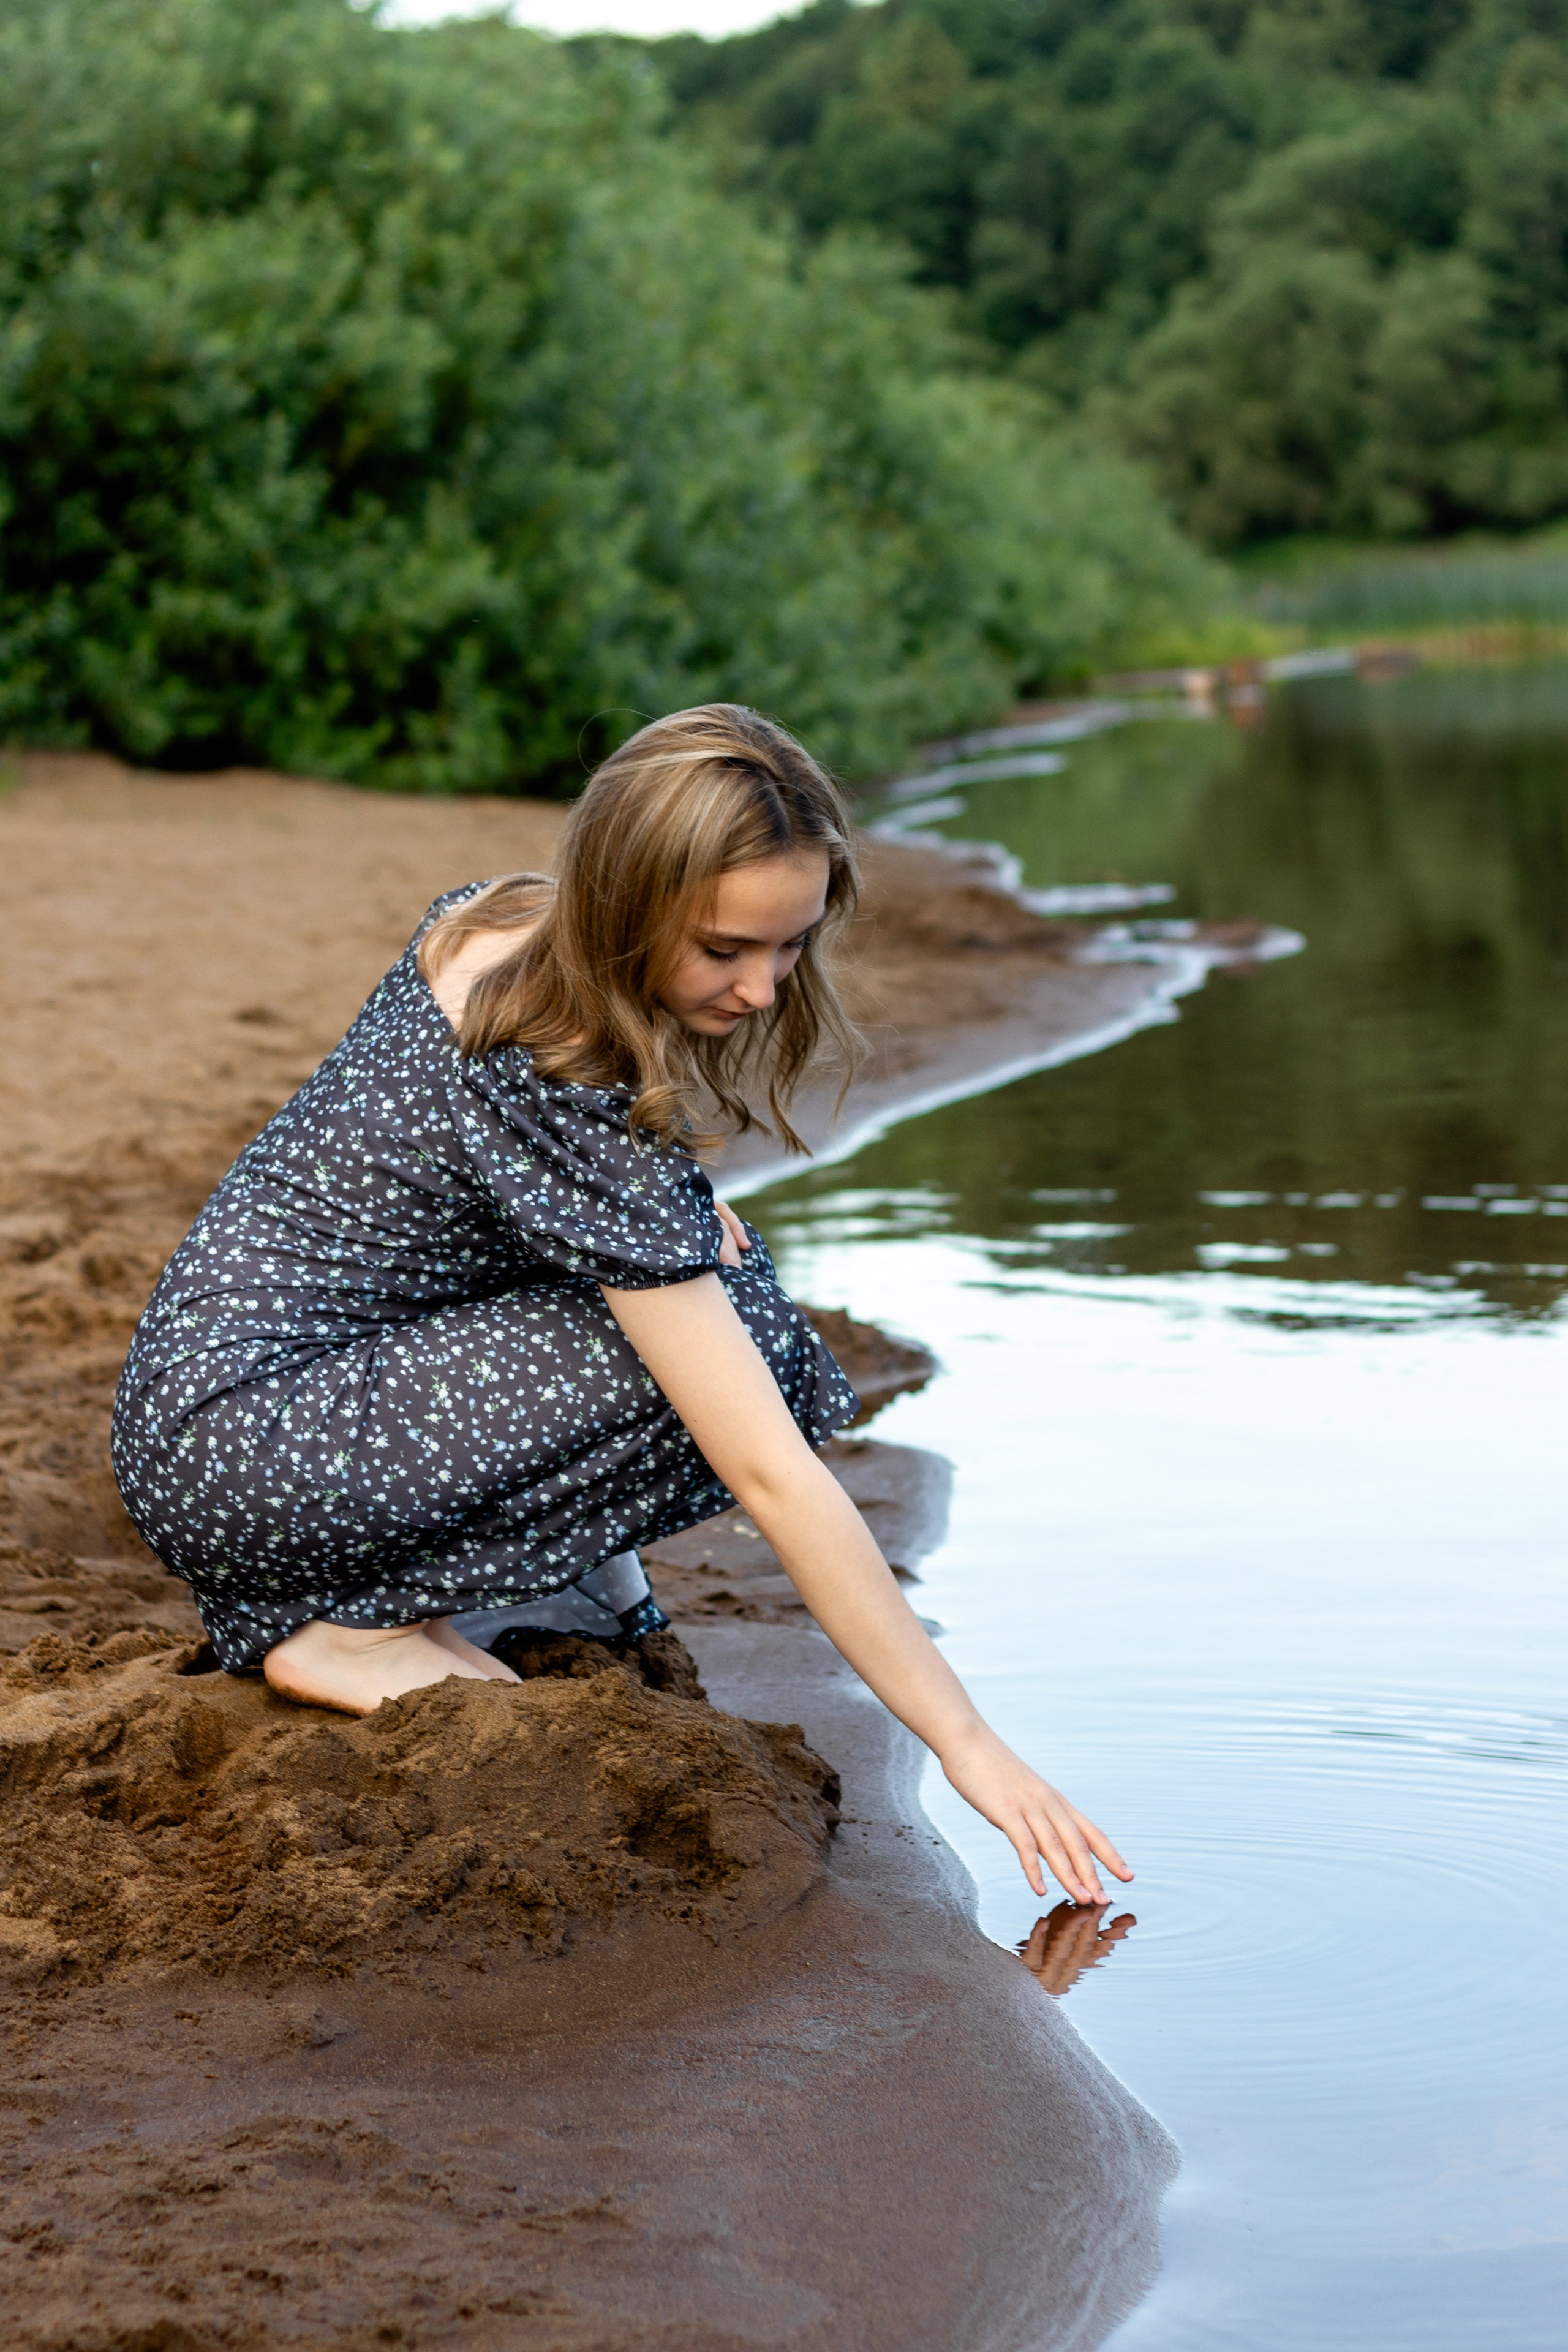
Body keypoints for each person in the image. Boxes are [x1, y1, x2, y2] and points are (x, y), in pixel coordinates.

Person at [112, 705, 1131, 1906]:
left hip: (204, 1405)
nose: (762, 988)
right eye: (725, 949)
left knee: (694, 1264)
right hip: (248, 1447)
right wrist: (969, 1746)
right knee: (746, 1345)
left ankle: (519, 1591)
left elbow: (505, 1205)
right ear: (629, 901)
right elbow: (767, 1472)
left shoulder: (504, 920)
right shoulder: (555, 1063)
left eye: (791, 945)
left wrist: (676, 1221)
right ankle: (346, 1630)